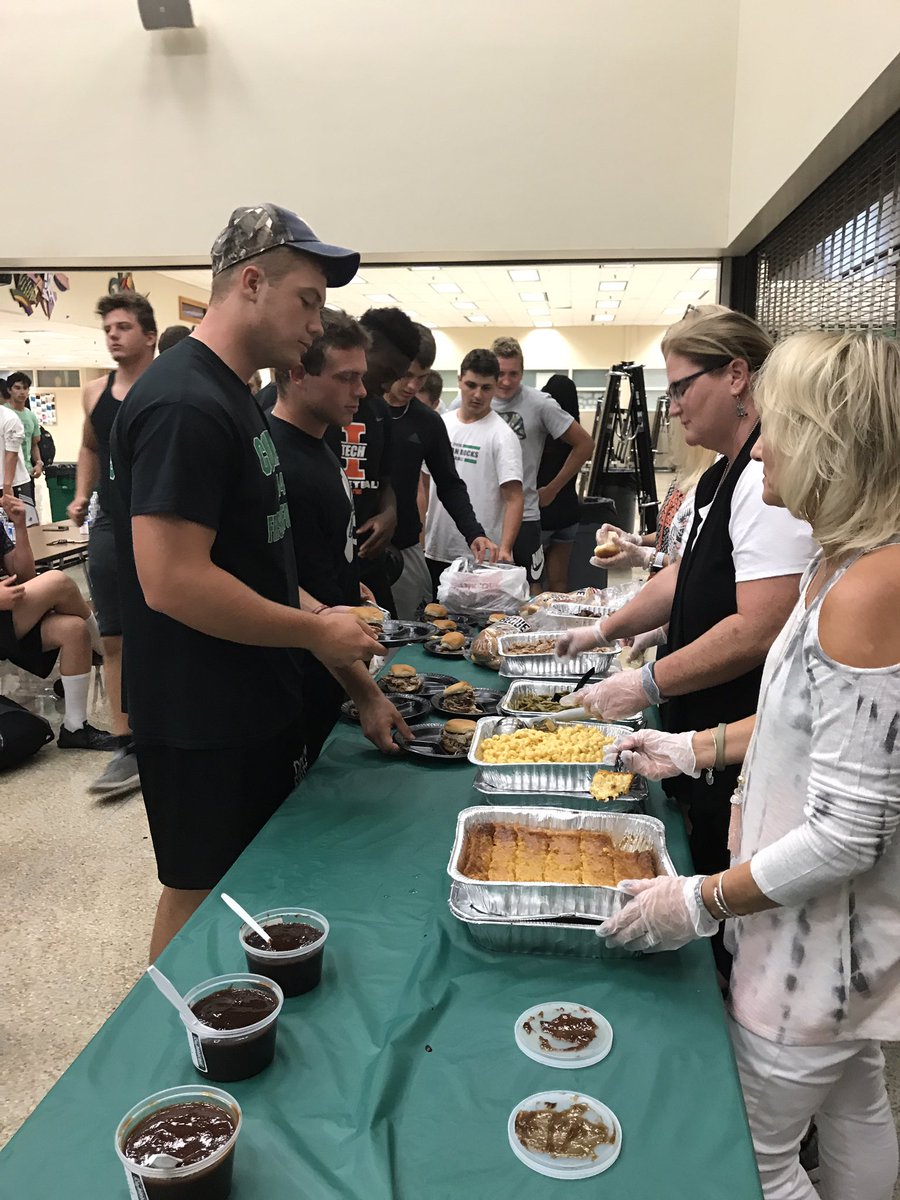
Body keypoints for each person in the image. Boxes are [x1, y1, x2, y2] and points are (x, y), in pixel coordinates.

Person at [600, 331, 900, 1200]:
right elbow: (801, 725)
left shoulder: (869, 588)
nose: (761, 444)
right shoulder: (837, 561)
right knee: (855, 1109)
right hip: (831, 943)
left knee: (754, 1159)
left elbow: (851, 832)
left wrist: (699, 899)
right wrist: (692, 747)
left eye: (782, 425)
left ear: (834, 441)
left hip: (813, 945)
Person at [110, 202, 379, 959]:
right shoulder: (185, 401)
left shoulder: (235, 396)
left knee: (249, 887)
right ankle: (165, 1046)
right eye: (308, 301)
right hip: (200, 711)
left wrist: (332, 640)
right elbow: (171, 581)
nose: (317, 326)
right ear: (252, 283)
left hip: (251, 697)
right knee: (200, 890)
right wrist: (311, 630)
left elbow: (251, 565)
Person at [557, 307, 817, 892]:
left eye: (680, 387)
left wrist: (645, 684)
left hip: (732, 730)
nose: (671, 406)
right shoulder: (726, 471)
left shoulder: (761, 480)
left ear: (735, 375)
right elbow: (684, 573)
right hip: (702, 730)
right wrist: (602, 632)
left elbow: (758, 627)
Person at [268, 310, 413, 762]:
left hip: (331, 674)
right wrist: (366, 694)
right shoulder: (278, 460)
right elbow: (280, 586)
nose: (362, 391)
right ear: (296, 375)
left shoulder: (321, 446)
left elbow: (319, 567)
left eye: (363, 376)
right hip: (301, 679)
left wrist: (350, 585)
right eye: (346, 377)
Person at [68, 293, 158, 797]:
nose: (113, 335)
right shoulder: (94, 392)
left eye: (124, 326)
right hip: (108, 522)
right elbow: (89, 445)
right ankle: (126, 743)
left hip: (157, 520)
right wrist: (82, 495)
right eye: (108, 328)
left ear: (149, 336)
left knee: (166, 623)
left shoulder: (168, 388)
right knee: (115, 632)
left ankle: (165, 729)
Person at [386, 323, 496, 619]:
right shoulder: (355, 407)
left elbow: (448, 482)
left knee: (408, 638)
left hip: (404, 545)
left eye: (421, 378)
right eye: (406, 375)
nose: (412, 386)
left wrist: (474, 532)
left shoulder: (428, 422)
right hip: (352, 546)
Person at [0, 494, 114, 748]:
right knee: (57, 581)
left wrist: (19, 526)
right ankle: (110, 655)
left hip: (8, 614)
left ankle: (75, 728)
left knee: (73, 630)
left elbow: (25, 575)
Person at [325, 307, 420, 612]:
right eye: (390, 373)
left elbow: (383, 479)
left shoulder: (378, 412)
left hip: (366, 562)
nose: (388, 384)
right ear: (368, 347)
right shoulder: (316, 407)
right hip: (321, 564)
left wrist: (390, 513)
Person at [489, 336, 593, 590]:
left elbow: (585, 445)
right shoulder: (473, 401)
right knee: (485, 591)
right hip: (484, 515)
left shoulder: (539, 404)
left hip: (525, 516)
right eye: (500, 373)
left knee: (530, 589)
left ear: (522, 372)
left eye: (513, 374)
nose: (506, 381)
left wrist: (553, 488)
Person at [423, 349, 523, 595]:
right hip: (435, 547)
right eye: (471, 385)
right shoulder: (440, 424)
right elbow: (423, 483)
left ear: (496, 386)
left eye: (486, 388)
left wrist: (506, 549)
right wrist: (420, 535)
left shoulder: (502, 435)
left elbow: (514, 497)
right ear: (459, 380)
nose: (477, 395)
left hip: (480, 555)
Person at [536, 374, 581, 592]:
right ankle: (557, 624)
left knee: (532, 580)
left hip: (541, 514)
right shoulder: (576, 436)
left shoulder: (540, 435)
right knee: (559, 581)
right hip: (568, 515)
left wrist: (548, 491)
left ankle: (533, 626)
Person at [4, 372, 42, 511]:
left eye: (25, 388)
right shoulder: (4, 413)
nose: (22, 392)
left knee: (28, 517)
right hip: (6, 475)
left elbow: (34, 444)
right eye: (17, 388)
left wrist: (38, 463)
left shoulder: (30, 416)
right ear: (9, 390)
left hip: (26, 474)